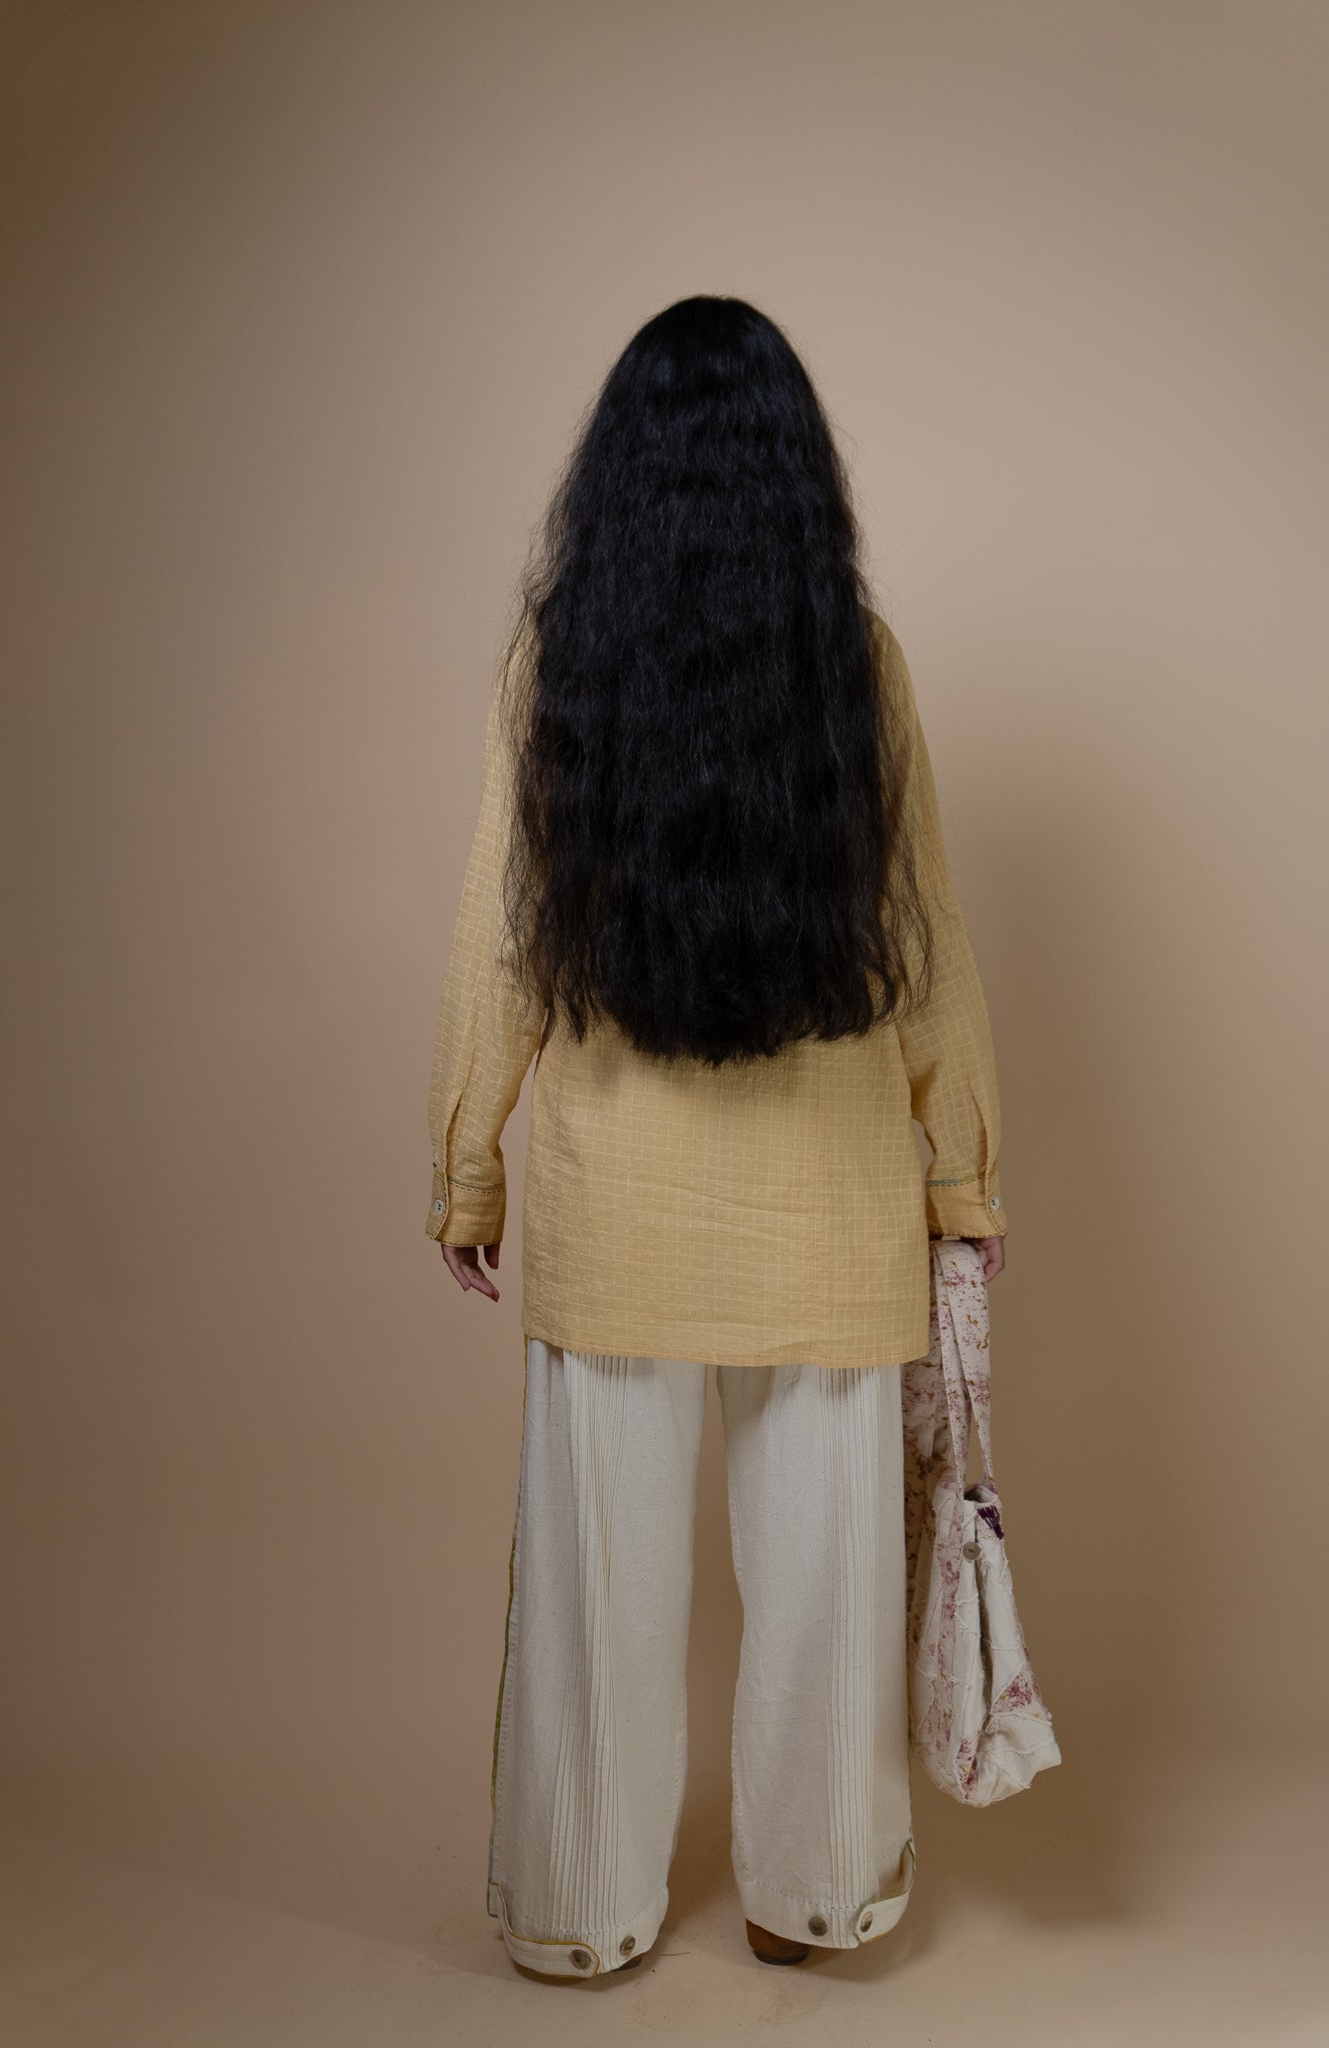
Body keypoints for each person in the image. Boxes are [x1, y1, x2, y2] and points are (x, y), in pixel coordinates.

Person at [425, 295, 1008, 1978]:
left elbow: (500, 938)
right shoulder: (858, 662)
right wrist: (963, 1175)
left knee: (595, 1590)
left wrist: (469, 1165)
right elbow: (928, 941)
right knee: (828, 1582)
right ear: (794, 473)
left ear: (619, 476)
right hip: (830, 1211)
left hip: (616, 1203)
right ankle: (811, 1899)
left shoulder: (557, 667)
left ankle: (582, 1916)